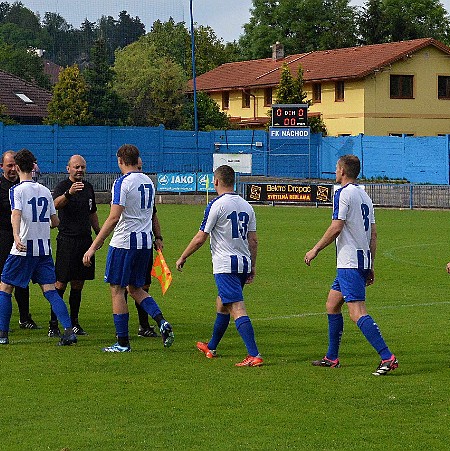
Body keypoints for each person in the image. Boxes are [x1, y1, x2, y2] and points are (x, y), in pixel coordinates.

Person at [304, 154, 398, 376]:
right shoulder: (364, 196)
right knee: (332, 304)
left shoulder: (342, 193)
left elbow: (337, 226)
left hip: (349, 262)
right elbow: (373, 233)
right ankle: (332, 357)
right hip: (360, 259)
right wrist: (370, 263)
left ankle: (388, 357)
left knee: (356, 313)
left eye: (336, 168)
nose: (335, 172)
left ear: (343, 171)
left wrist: (315, 249)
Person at [82, 144, 174, 352]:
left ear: (120, 161)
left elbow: (114, 217)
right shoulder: (148, 182)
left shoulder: (122, 183)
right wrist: (157, 236)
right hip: (144, 242)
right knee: (136, 289)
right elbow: (152, 214)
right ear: (137, 160)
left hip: (124, 243)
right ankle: (161, 321)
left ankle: (122, 342)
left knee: (117, 290)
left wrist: (94, 246)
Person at [176, 165, 263, 367]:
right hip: (243, 263)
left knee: (236, 308)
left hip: (226, 265)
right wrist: (252, 265)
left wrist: (183, 256)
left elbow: (200, 238)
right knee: (222, 304)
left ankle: (254, 354)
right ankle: (211, 346)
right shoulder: (246, 206)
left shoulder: (216, 205)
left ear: (216, 181)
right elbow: (254, 240)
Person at [0, 148, 77, 346]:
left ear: (17, 167)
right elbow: (55, 221)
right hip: (43, 248)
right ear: (33, 166)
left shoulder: (15, 190)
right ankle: (69, 331)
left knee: (5, 288)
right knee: (50, 290)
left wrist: (17, 236)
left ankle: (3, 333)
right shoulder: (44, 190)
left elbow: (15, 214)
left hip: (23, 247)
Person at [47, 155, 101, 338]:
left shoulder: (89, 188)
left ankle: (75, 322)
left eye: (82, 167)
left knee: (78, 283)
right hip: (67, 241)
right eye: (76, 167)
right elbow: (54, 206)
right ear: (68, 168)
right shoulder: (62, 187)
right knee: (60, 283)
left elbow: (92, 212)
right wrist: (69, 193)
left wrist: (98, 233)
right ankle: (53, 324)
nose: (80, 170)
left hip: (85, 241)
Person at [0, 151, 40, 330]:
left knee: (22, 280)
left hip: (22, 237)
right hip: (3, 236)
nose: (11, 169)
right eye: (8, 165)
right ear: (2, 167)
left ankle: (25, 317)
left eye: (13, 165)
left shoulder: (23, 186)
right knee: (4, 280)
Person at [131, 157, 163, 338]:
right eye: (138, 167)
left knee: (144, 285)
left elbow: (153, 215)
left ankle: (144, 325)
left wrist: (158, 236)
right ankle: (122, 333)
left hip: (145, 243)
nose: (140, 170)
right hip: (128, 244)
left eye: (141, 168)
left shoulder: (146, 187)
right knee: (124, 287)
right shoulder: (126, 186)